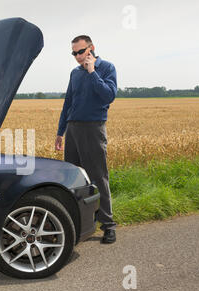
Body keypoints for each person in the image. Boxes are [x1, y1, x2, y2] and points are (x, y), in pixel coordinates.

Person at [55, 35, 117, 244]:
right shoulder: (74, 73)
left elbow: (108, 95)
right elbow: (68, 103)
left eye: (81, 51)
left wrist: (92, 72)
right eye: (74, 53)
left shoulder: (107, 68)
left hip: (93, 128)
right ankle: (78, 224)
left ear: (92, 48)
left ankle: (108, 225)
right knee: (73, 178)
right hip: (73, 128)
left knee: (98, 177)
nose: (78, 56)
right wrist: (60, 131)